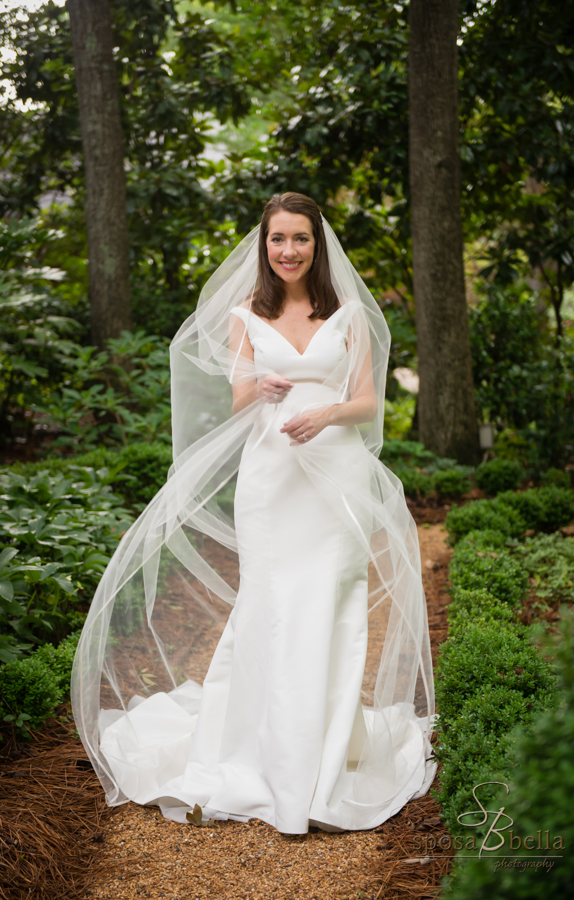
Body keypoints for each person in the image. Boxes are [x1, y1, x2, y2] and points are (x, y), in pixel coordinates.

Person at [71, 192, 435, 835]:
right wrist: (260, 389)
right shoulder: (245, 314)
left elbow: (366, 403)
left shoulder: (348, 314)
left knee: (334, 603)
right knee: (270, 606)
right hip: (271, 481)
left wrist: (324, 411)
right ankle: (260, 748)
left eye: (300, 239)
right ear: (264, 246)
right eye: (278, 240)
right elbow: (240, 398)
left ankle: (324, 757)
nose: (288, 250)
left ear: (317, 246)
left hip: (337, 476)